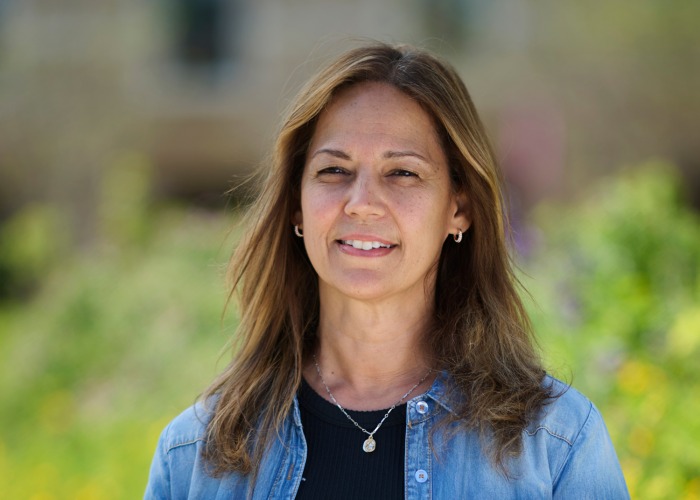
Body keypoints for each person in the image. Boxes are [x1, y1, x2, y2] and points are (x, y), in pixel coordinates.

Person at [145, 42, 629, 499]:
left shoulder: (556, 443)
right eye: (334, 171)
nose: (362, 204)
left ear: (458, 208)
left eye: (402, 173)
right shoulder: (194, 456)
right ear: (297, 204)